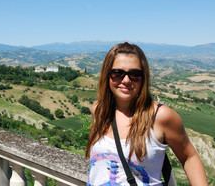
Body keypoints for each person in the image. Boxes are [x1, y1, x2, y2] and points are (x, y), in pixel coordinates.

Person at [86, 42, 208, 186]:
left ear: (143, 78)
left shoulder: (160, 117)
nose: (126, 80)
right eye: (118, 73)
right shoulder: (99, 110)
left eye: (135, 74)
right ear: (107, 76)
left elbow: (189, 157)